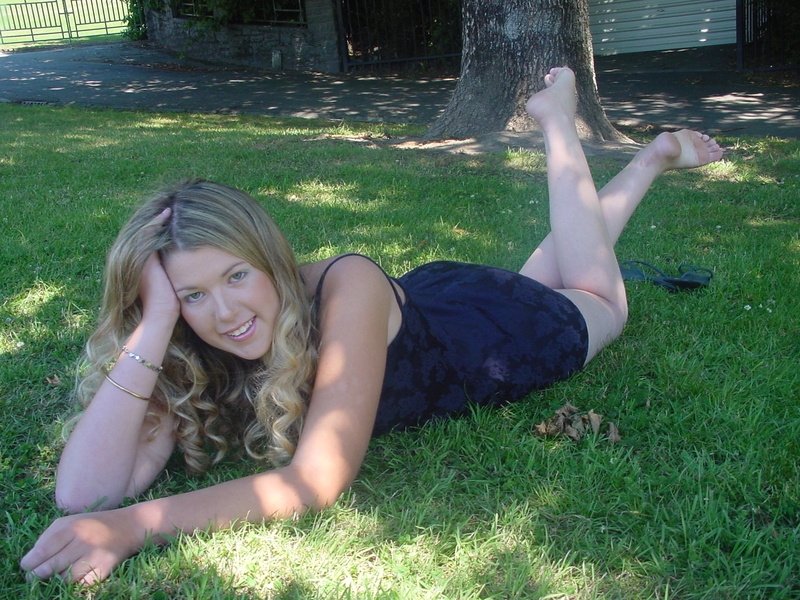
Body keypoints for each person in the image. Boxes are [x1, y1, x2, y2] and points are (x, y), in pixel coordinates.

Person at [20, 67, 723, 584]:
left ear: (270, 259)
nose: (226, 314)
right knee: (562, 264)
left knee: (597, 296)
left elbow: (317, 478)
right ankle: (654, 153)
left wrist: (134, 527)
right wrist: (154, 326)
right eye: (192, 295)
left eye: (237, 277)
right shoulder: (190, 339)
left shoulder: (344, 281)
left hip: (502, 334)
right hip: (440, 302)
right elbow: (83, 494)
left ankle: (566, 125)